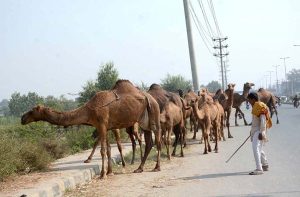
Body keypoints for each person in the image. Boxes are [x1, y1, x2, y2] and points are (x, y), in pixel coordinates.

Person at [247, 92, 272, 175]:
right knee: (259, 148)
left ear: (253, 99)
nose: (249, 102)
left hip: (259, 131)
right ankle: (265, 164)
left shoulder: (260, 106)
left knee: (255, 148)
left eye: (249, 100)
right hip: (256, 130)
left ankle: (259, 168)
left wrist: (262, 132)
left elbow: (263, 119)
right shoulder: (256, 106)